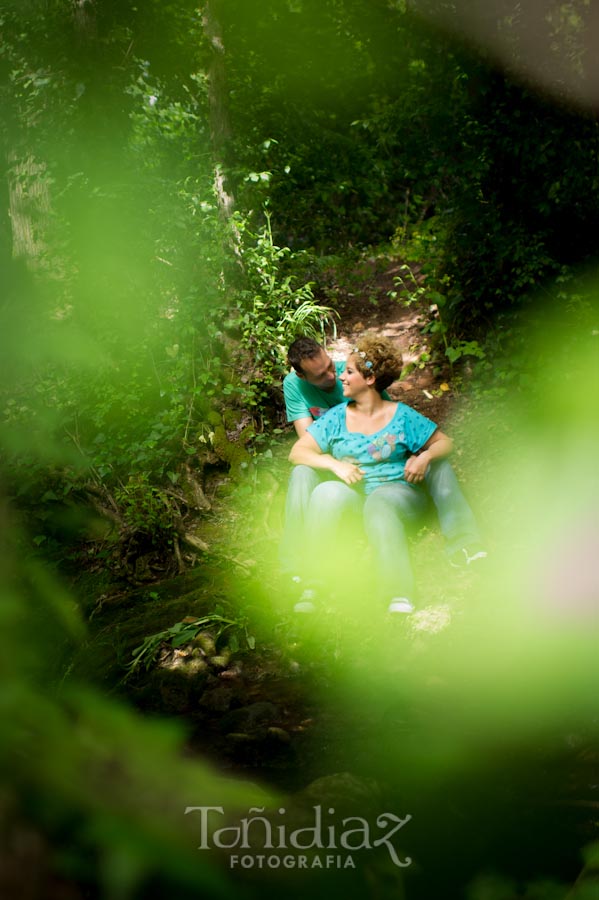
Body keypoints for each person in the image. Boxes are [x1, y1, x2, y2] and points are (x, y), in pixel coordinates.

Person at [284, 336, 485, 613]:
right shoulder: (335, 416)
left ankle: (399, 590)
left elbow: (444, 442)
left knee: (381, 499)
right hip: (357, 500)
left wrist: (424, 456)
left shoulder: (401, 415)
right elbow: (298, 452)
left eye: (348, 372)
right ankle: (314, 583)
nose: (340, 376)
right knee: (324, 491)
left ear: (369, 379)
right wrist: (335, 464)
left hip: (399, 496)